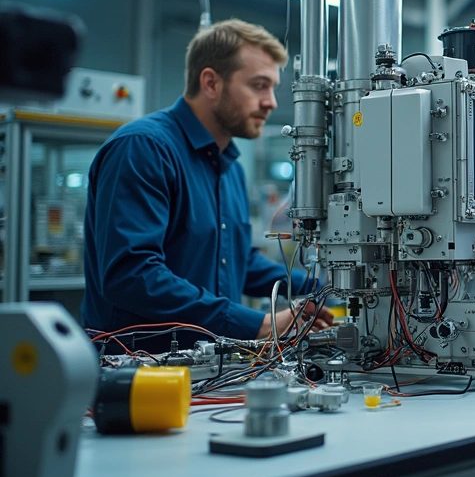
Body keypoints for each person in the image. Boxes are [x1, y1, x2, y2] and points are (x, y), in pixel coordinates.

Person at [82, 19, 331, 351]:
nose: (271, 102)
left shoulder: (229, 167)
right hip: (138, 370)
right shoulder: (144, 148)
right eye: (259, 85)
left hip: (209, 370)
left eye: (272, 88)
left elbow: (237, 263)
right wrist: (257, 322)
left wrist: (326, 285)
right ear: (211, 83)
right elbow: (132, 276)